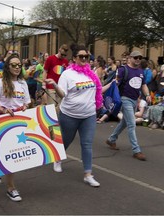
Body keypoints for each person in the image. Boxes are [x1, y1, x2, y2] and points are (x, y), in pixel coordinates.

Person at [45, 44, 102, 187]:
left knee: (87, 144)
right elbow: (62, 94)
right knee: (67, 140)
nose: (84, 59)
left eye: (86, 56)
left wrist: (113, 85)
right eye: (81, 56)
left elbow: (98, 90)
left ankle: (88, 174)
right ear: (75, 58)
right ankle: (57, 158)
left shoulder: (91, 73)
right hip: (70, 115)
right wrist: (55, 85)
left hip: (88, 115)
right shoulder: (67, 74)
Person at [0, 54, 31, 201]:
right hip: (2, 121)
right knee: (2, 152)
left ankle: (6, 181)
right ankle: (10, 187)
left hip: (18, 122)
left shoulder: (23, 84)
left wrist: (25, 106)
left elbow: (27, 102)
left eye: (19, 65)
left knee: (13, 155)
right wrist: (4, 110)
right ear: (7, 67)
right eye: (13, 65)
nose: (17, 67)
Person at [106, 51, 151, 161]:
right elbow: (115, 82)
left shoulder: (141, 71)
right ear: (130, 58)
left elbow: (143, 85)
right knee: (132, 124)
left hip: (135, 100)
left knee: (124, 122)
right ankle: (136, 150)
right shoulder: (122, 70)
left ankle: (111, 139)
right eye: (135, 57)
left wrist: (148, 95)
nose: (138, 59)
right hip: (124, 99)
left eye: (140, 58)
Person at [42, 44, 69, 110]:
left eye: (65, 55)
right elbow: (45, 71)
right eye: (62, 54)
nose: (63, 56)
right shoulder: (50, 58)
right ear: (59, 50)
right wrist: (43, 83)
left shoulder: (65, 61)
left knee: (60, 107)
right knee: (51, 107)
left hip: (60, 87)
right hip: (51, 87)